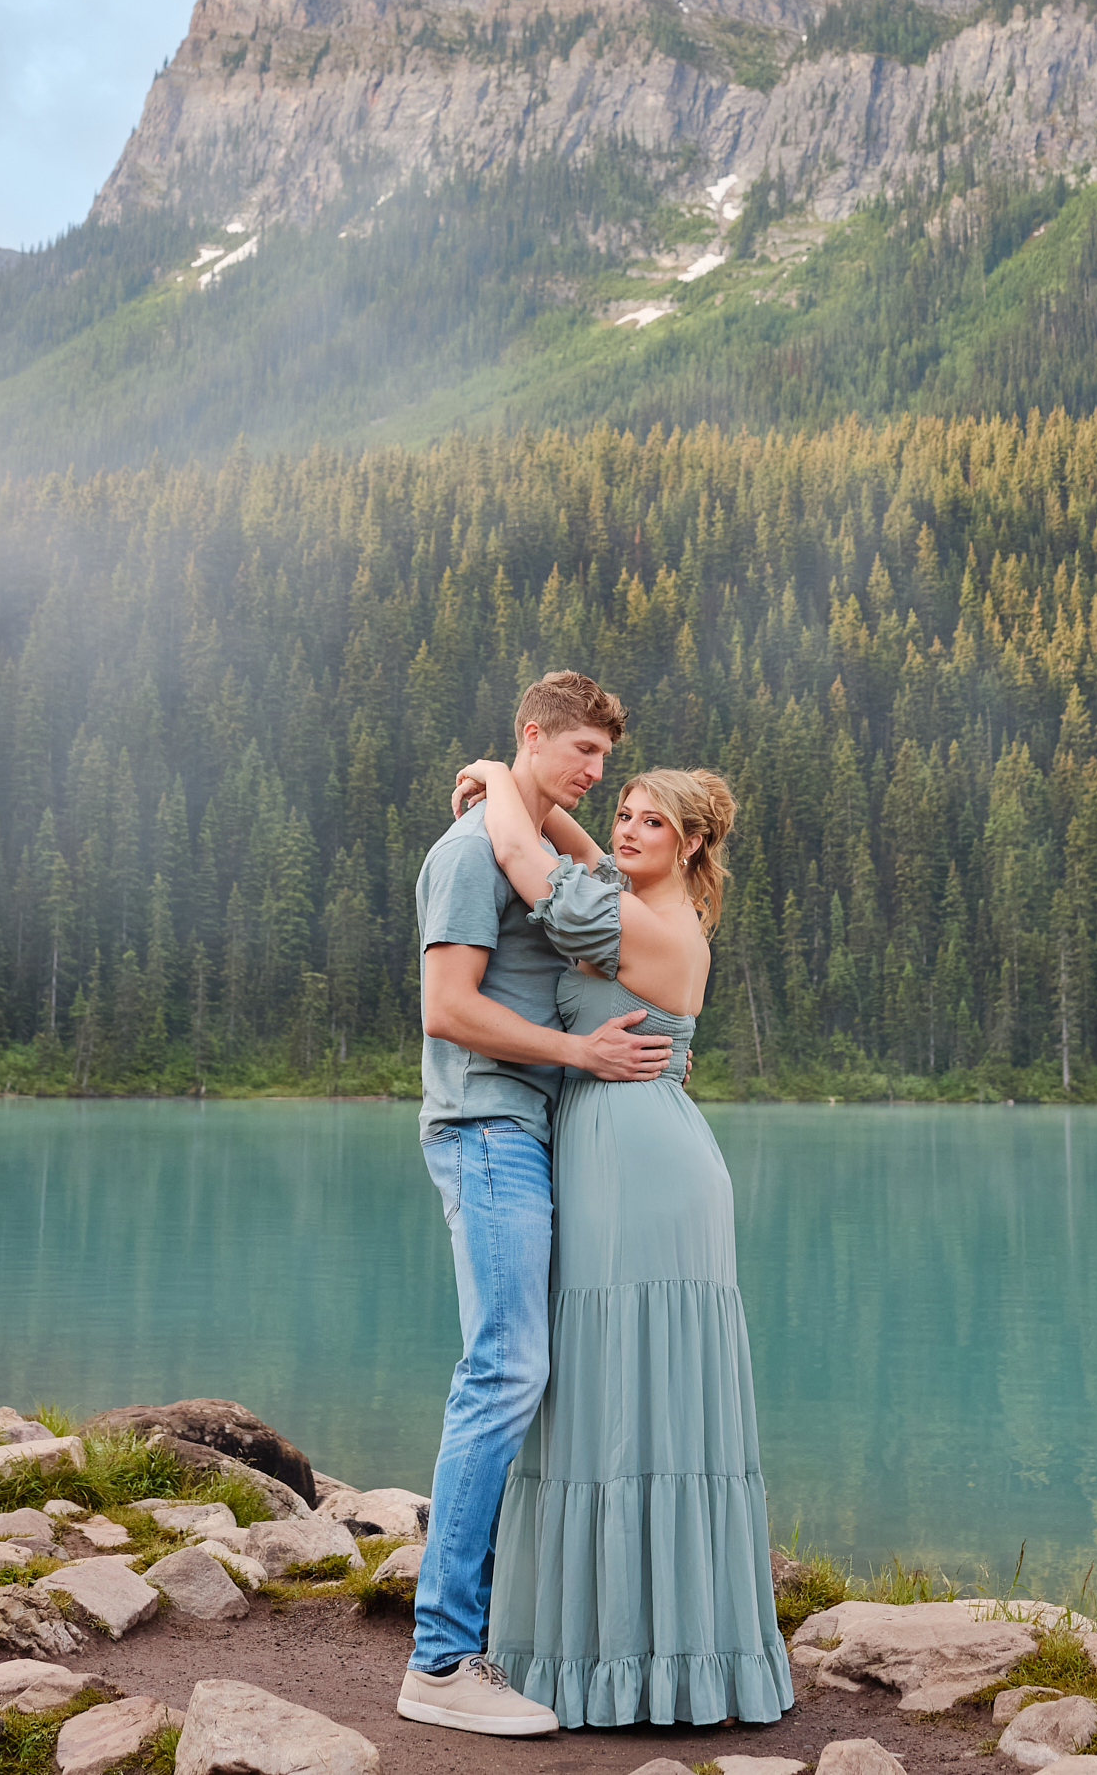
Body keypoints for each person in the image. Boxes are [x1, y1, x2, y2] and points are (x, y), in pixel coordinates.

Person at [459, 755, 795, 1732]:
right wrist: (563, 813)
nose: (628, 828)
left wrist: (498, 776)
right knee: (605, 1388)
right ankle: (602, 1654)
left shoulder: (658, 930)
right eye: (625, 811)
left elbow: (528, 857)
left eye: (652, 821)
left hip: (643, 1170)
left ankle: (638, 1668)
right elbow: (572, 849)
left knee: (620, 1384)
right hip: (612, 1152)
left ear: (691, 844)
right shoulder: (631, 896)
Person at [398, 670, 674, 1739]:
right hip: (483, 1128)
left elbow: (590, 869)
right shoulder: (467, 854)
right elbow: (446, 1006)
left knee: (528, 1370)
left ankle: (496, 1627)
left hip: (529, 1132)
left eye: (605, 761)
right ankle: (438, 1659)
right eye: (581, 757)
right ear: (532, 736)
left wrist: (513, 787)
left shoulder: (530, 839)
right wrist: (577, 1051)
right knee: (504, 1367)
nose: (596, 777)